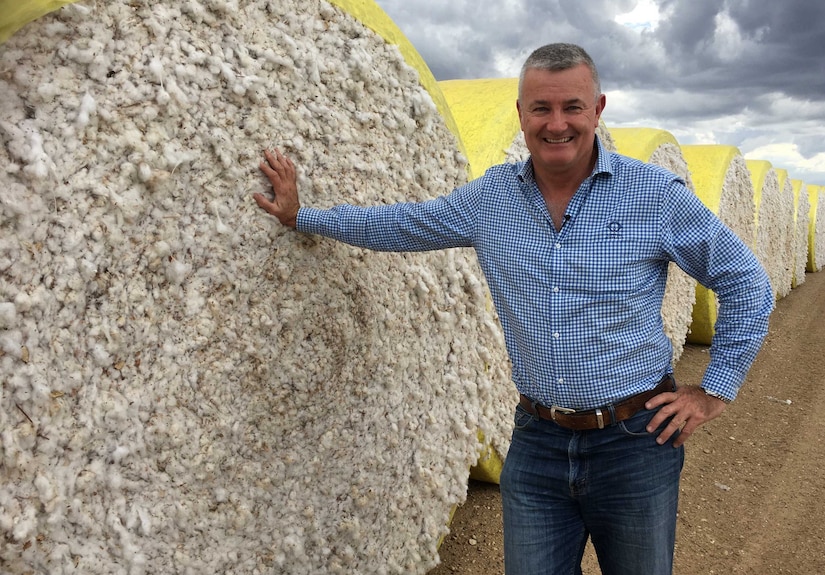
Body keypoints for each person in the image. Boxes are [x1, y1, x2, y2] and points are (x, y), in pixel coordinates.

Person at [253, 43, 773, 575]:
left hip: (634, 444)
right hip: (536, 443)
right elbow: (405, 224)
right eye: (541, 109)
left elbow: (746, 282)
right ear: (520, 115)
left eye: (572, 107)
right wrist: (304, 217)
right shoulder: (492, 199)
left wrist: (714, 391)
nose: (557, 124)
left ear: (598, 110)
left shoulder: (654, 196)